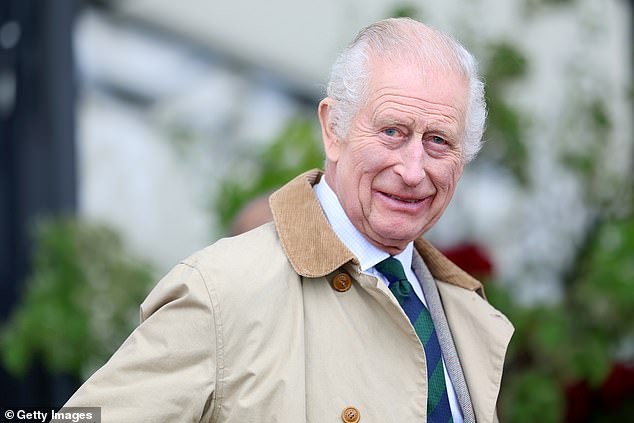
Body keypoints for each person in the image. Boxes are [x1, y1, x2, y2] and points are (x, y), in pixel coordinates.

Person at [61, 17, 513, 422]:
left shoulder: (465, 315)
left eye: (438, 141)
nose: (413, 170)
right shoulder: (223, 290)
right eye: (392, 131)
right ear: (333, 130)